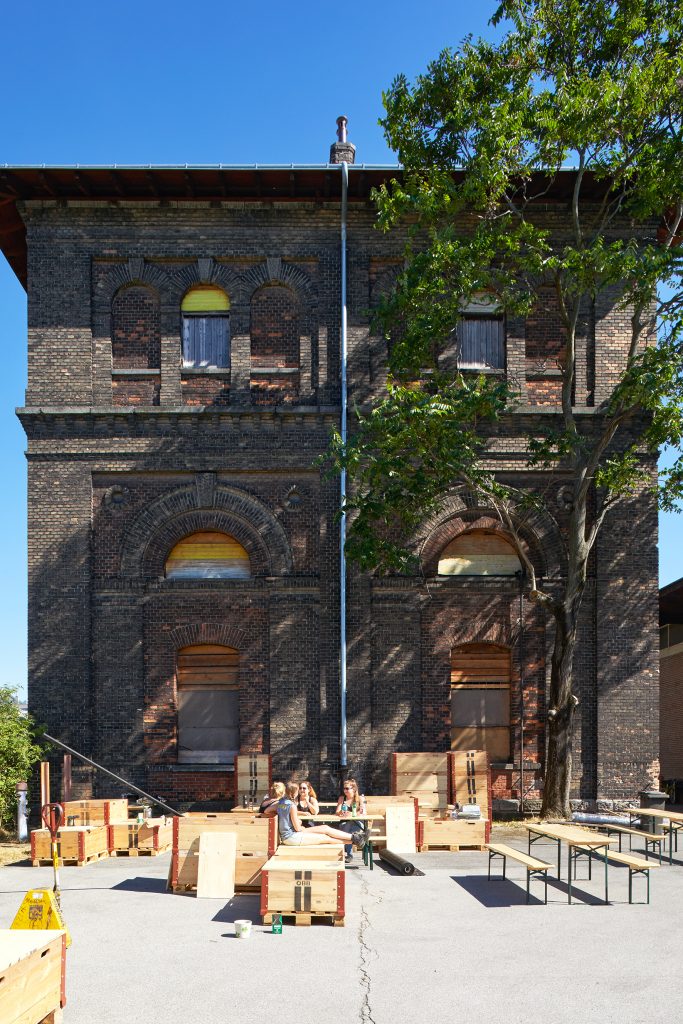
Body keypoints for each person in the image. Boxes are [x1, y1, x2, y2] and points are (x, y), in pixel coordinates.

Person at [264, 781, 356, 848]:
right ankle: (353, 841)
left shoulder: (281, 803)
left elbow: (267, 811)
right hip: (292, 837)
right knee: (325, 838)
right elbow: (297, 828)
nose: (300, 791)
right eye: (298, 790)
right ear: (294, 793)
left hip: (287, 836)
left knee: (325, 832)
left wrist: (280, 814)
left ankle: (354, 840)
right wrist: (299, 823)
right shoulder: (292, 806)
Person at [336, 779, 369, 863]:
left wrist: (351, 814)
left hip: (357, 824)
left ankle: (349, 855)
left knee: (348, 828)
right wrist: (342, 811)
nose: (345, 790)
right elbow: (337, 812)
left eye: (347, 788)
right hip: (345, 825)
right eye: (344, 788)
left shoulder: (360, 798)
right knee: (348, 829)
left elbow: (363, 812)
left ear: (353, 789)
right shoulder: (342, 798)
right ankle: (361, 838)